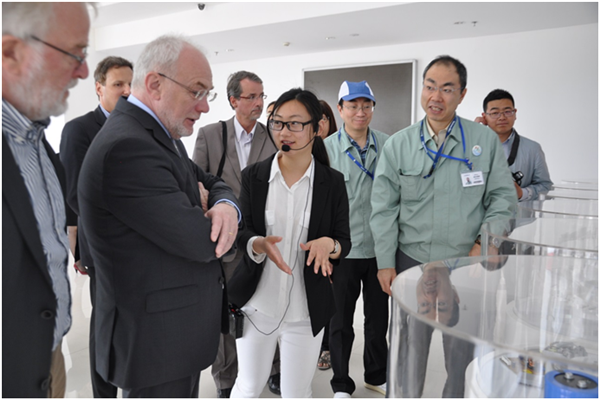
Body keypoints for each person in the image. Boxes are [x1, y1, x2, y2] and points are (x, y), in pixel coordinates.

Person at [78, 34, 241, 398]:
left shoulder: (158, 135)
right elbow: (202, 241)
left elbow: (212, 182)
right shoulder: (128, 145)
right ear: (154, 84)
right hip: (155, 342)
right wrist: (204, 210)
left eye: (207, 94)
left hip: (172, 335)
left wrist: (223, 206)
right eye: (197, 91)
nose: (205, 107)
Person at [228, 88, 351, 398]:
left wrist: (329, 245)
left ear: (317, 127)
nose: (284, 132)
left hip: (306, 310)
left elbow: (344, 241)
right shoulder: (254, 176)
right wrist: (257, 244)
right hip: (257, 306)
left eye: (295, 123)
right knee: (249, 385)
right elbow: (242, 232)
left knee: (296, 392)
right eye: (278, 122)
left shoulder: (332, 182)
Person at [371, 55, 516, 296]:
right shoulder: (398, 144)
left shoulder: (484, 140)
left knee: (465, 320)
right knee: (412, 321)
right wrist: (385, 262)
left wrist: (483, 243)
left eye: (447, 89)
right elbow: (384, 208)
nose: (436, 97)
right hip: (411, 259)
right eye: (430, 87)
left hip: (467, 260)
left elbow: (503, 198)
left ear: (462, 95)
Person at [2, 2, 90, 397]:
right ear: (11, 52)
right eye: (74, 54)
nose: (83, 71)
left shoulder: (39, 143)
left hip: (49, 355)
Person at [192, 70, 278, 398]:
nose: (259, 103)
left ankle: (273, 369)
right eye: (251, 97)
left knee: (268, 307)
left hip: (263, 239)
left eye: (261, 96)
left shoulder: (273, 136)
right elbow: (197, 187)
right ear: (233, 100)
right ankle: (226, 378)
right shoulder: (211, 135)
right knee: (226, 312)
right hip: (226, 242)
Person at [60, 55, 133, 398]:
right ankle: (104, 394)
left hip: (140, 246)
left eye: (130, 84)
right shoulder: (79, 130)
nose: (127, 91)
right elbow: (76, 195)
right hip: (104, 247)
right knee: (106, 325)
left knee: (132, 322)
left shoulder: (137, 127)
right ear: (99, 88)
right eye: (118, 84)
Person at [324, 81, 389, 397]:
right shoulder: (325, 150)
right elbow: (320, 205)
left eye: (366, 105)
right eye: (352, 105)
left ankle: (376, 375)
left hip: (380, 249)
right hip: (343, 251)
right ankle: (341, 384)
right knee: (340, 322)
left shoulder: (389, 145)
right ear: (340, 109)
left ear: (373, 108)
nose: (360, 112)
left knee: (378, 320)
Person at [475, 89, 553, 201]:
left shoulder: (533, 149)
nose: (502, 117)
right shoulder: (469, 146)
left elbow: (546, 187)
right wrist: (471, 137)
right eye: (495, 113)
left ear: (515, 113)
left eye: (507, 111)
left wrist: (522, 193)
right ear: (484, 117)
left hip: (517, 211)